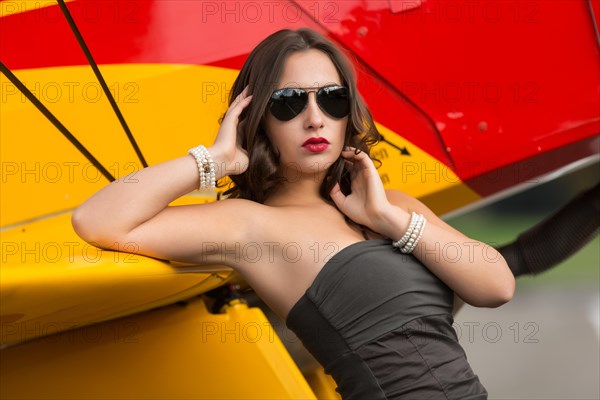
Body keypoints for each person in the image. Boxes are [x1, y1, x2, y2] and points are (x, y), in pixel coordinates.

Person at [72, 28, 515, 399]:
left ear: (349, 112)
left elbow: (496, 286)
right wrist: (216, 158)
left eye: (332, 98)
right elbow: (98, 221)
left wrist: (387, 218)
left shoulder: (393, 207)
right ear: (259, 117)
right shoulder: (250, 226)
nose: (315, 118)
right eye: (288, 101)